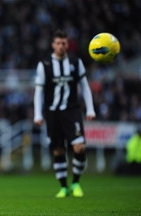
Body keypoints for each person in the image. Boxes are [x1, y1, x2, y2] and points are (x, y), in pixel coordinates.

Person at [33, 30, 96, 198]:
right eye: (58, 43)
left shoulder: (75, 62)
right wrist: (37, 114)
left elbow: (84, 86)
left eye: (64, 43)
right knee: (58, 151)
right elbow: (38, 91)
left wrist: (90, 109)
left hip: (72, 111)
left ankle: (76, 182)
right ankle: (63, 187)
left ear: (67, 44)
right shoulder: (44, 64)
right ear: (53, 45)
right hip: (53, 113)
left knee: (79, 147)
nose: (61, 46)